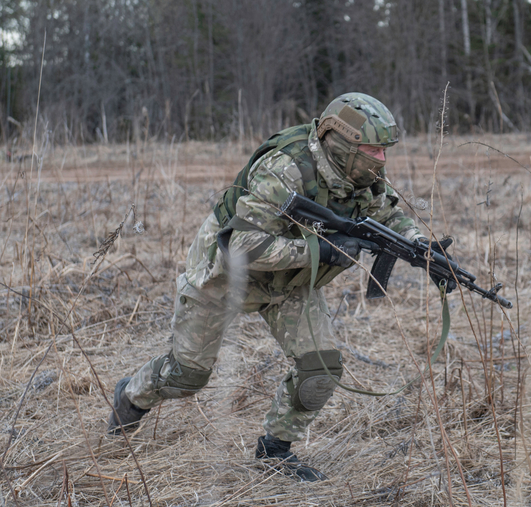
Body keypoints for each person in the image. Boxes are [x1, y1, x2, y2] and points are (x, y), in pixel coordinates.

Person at [106, 93, 433, 482]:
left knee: (320, 370)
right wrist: (321, 253)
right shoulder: (285, 169)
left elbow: (388, 214)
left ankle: (275, 453)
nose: (381, 159)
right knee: (186, 377)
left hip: (290, 282)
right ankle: (131, 395)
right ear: (342, 144)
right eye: (373, 150)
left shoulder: (362, 175)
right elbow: (242, 248)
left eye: (384, 151)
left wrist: (419, 245)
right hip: (224, 275)